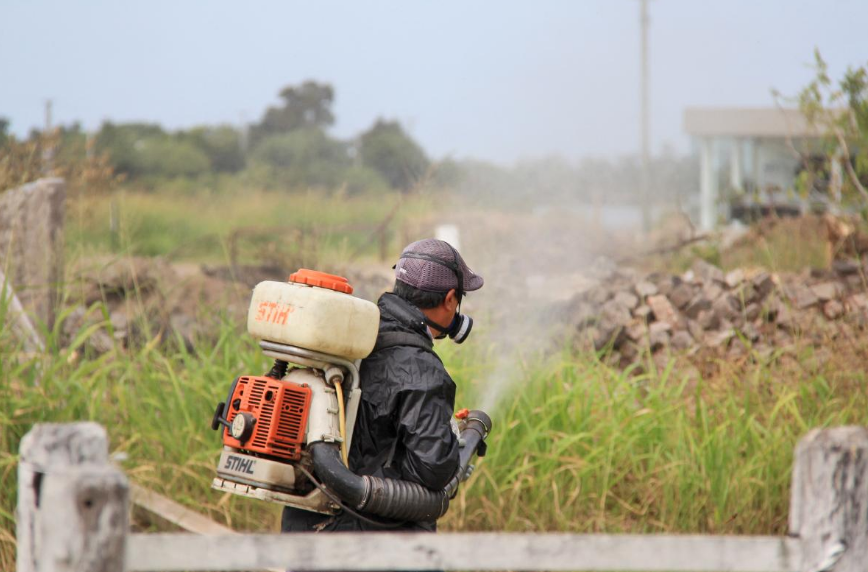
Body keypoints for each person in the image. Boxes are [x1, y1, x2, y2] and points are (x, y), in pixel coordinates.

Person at [281, 238, 484, 532]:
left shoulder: (352, 336)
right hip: (371, 538)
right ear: (450, 299)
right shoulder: (421, 369)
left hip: (301, 524)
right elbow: (434, 470)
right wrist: (450, 443)